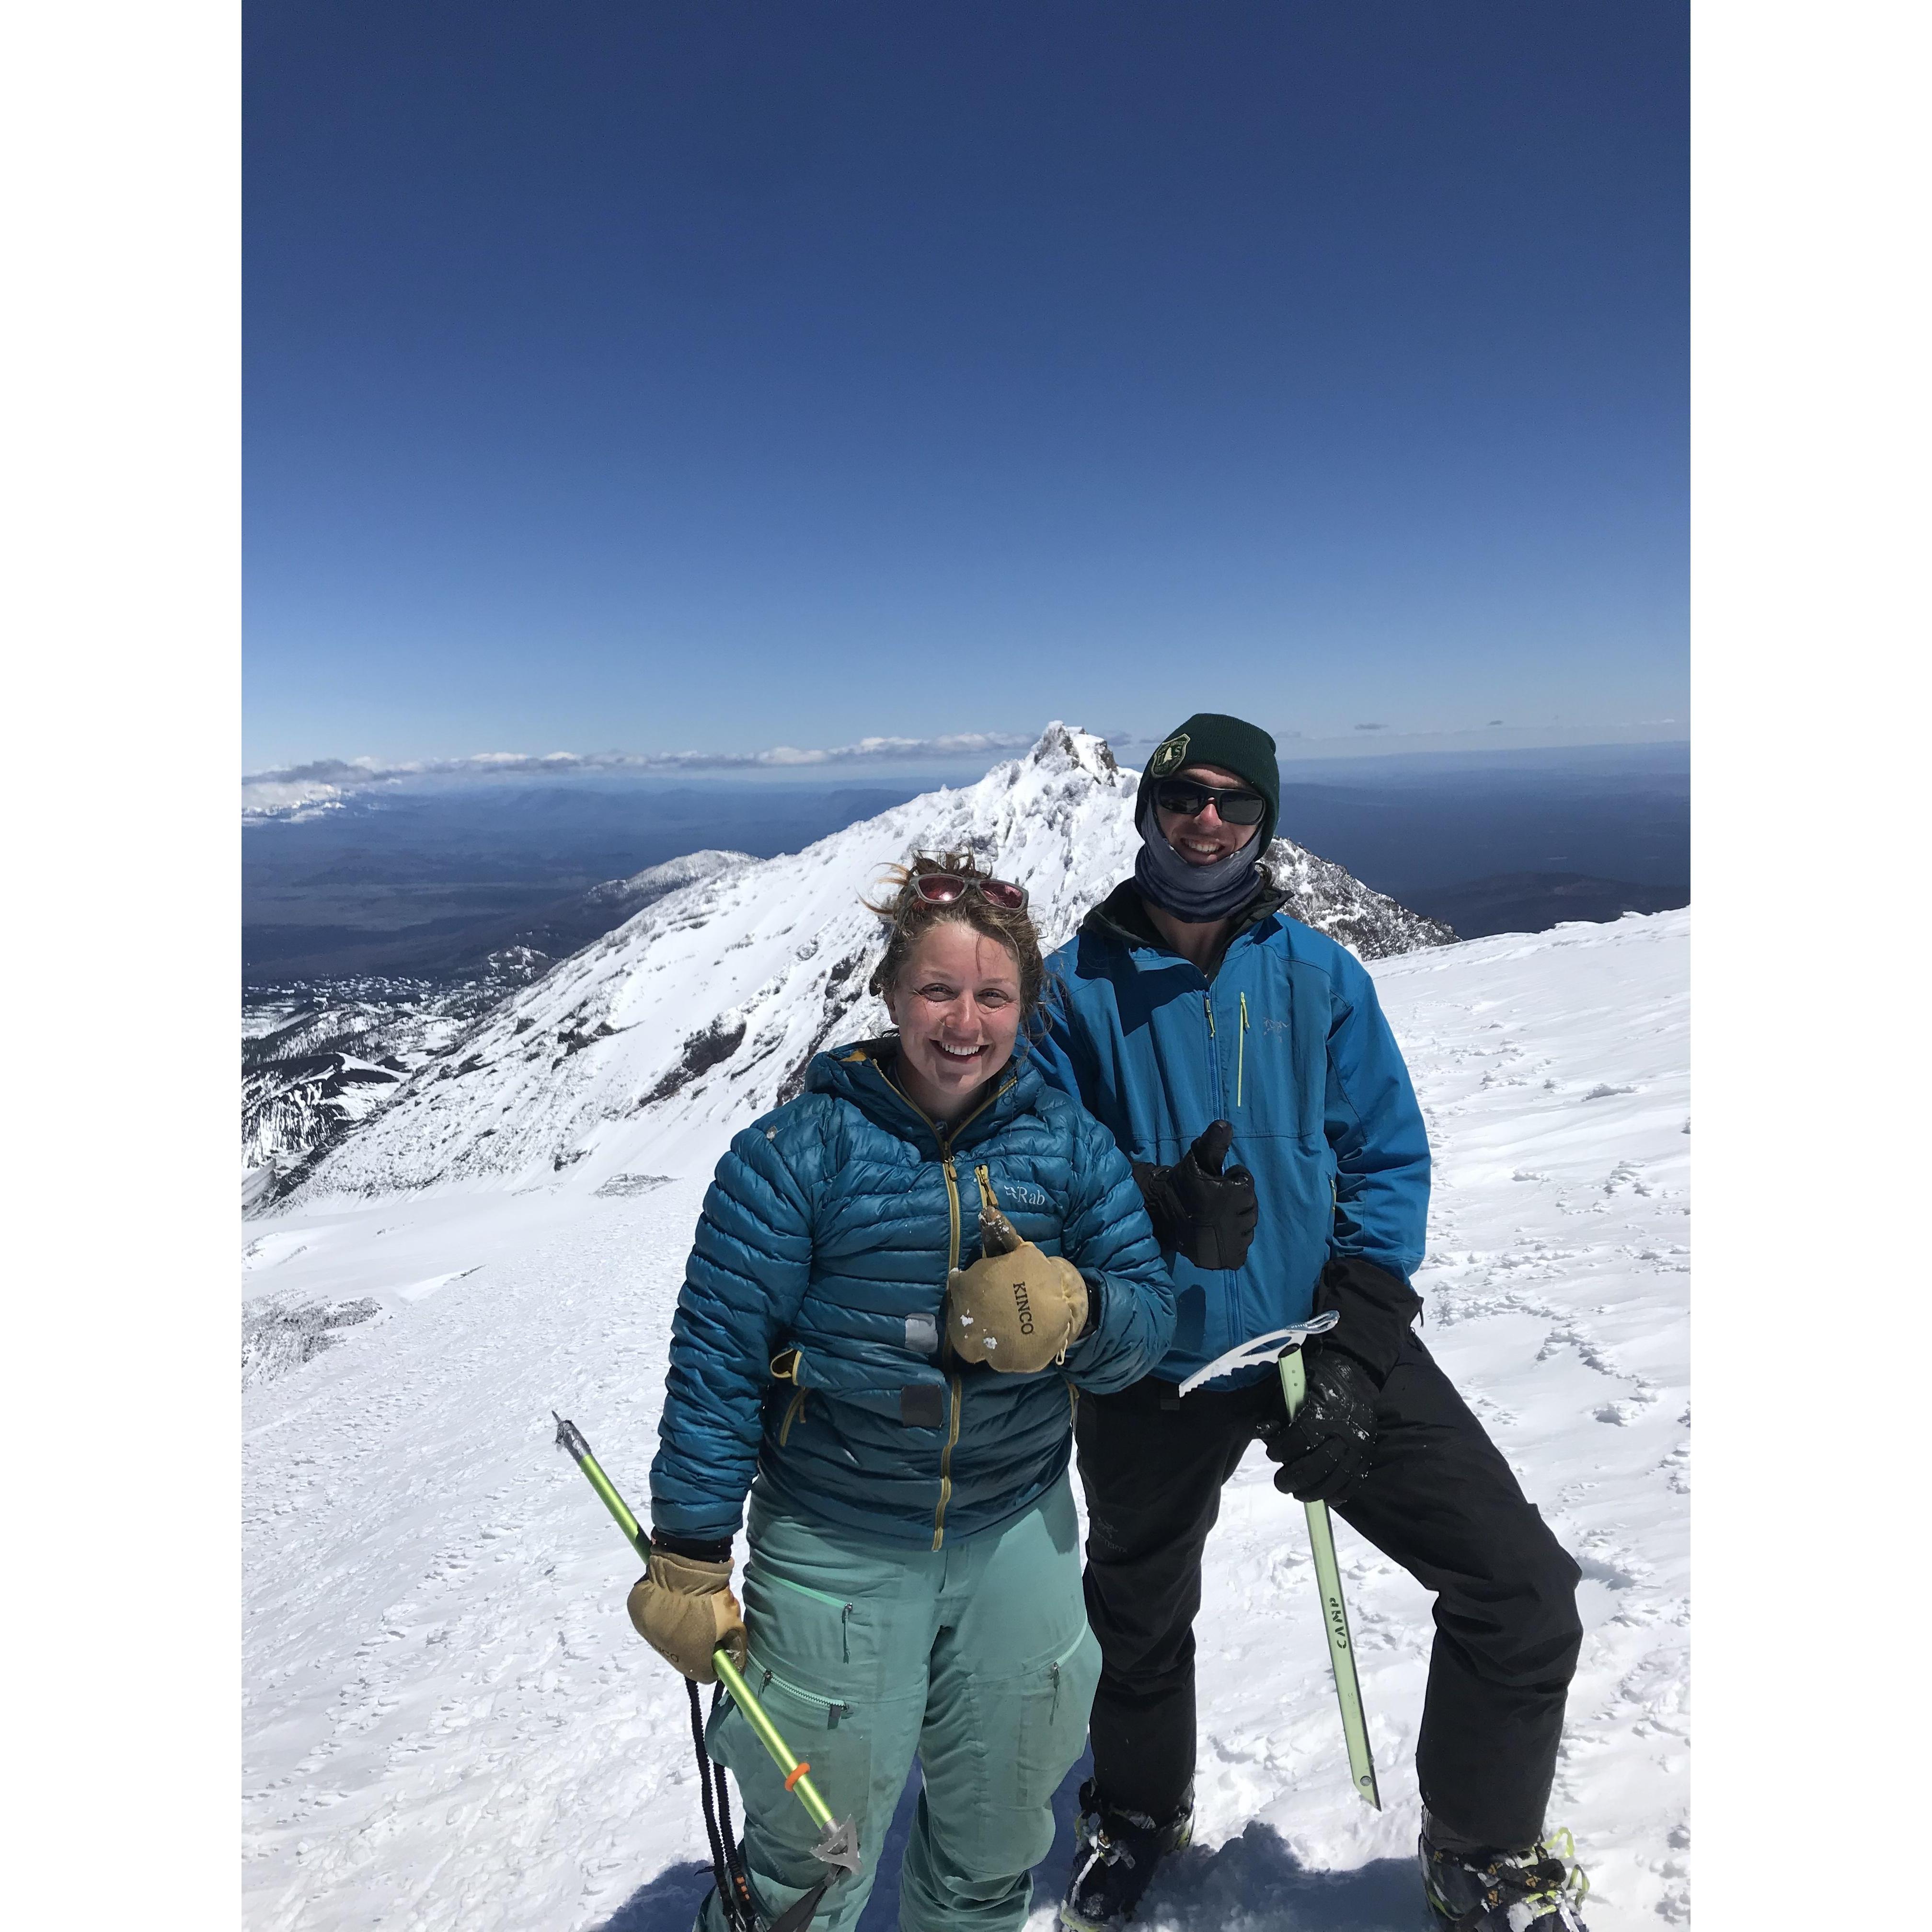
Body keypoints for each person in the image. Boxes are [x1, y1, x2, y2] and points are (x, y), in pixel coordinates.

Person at [1033, 714, 1591, 1932]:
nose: (1208, 820)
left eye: (1236, 801)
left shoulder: (1320, 976)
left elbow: (1385, 1159)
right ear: (1147, 809)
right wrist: (1150, 1202)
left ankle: (1482, 1848)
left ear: (1265, 821)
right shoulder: (1072, 989)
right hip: (1148, 1359)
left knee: (1520, 1589)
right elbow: (1036, 1174)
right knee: (1136, 1614)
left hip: (1314, 1339)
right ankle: (1137, 1810)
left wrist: (1356, 1340)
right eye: (1184, 796)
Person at [632, 852, 1177, 1932]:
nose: (965, 1023)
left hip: (1016, 1529)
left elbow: (1146, 1322)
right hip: (839, 1541)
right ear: (889, 992)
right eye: (938, 990)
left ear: (1026, 1006)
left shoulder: (1070, 1148)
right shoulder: (794, 1157)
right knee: (810, 1860)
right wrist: (690, 1553)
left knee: (996, 1839)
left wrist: (1078, 1309)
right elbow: (719, 1357)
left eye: (993, 996)